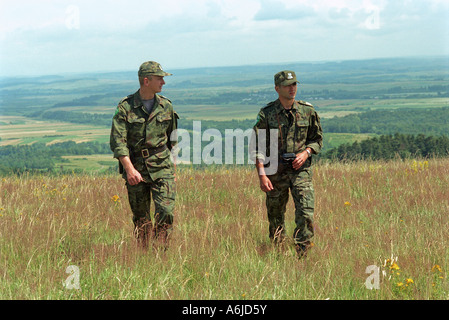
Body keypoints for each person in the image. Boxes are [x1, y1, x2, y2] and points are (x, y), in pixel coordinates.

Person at [251, 70, 323, 258]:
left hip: (301, 171)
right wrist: (262, 175)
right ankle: (278, 254)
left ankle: (303, 256)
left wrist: (306, 153)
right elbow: (257, 146)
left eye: (294, 84)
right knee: (275, 217)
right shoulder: (267, 114)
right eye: (287, 85)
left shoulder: (308, 111)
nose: (292, 89)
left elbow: (317, 140)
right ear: (277, 88)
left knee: (306, 214)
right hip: (275, 171)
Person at [110, 61, 178, 249]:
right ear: (146, 81)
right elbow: (118, 142)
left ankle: (161, 253)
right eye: (159, 78)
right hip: (136, 168)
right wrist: (129, 170)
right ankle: (144, 256)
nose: (163, 82)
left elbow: (172, 139)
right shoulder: (125, 107)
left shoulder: (166, 106)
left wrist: (172, 168)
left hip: (162, 166)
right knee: (142, 219)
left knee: (165, 211)